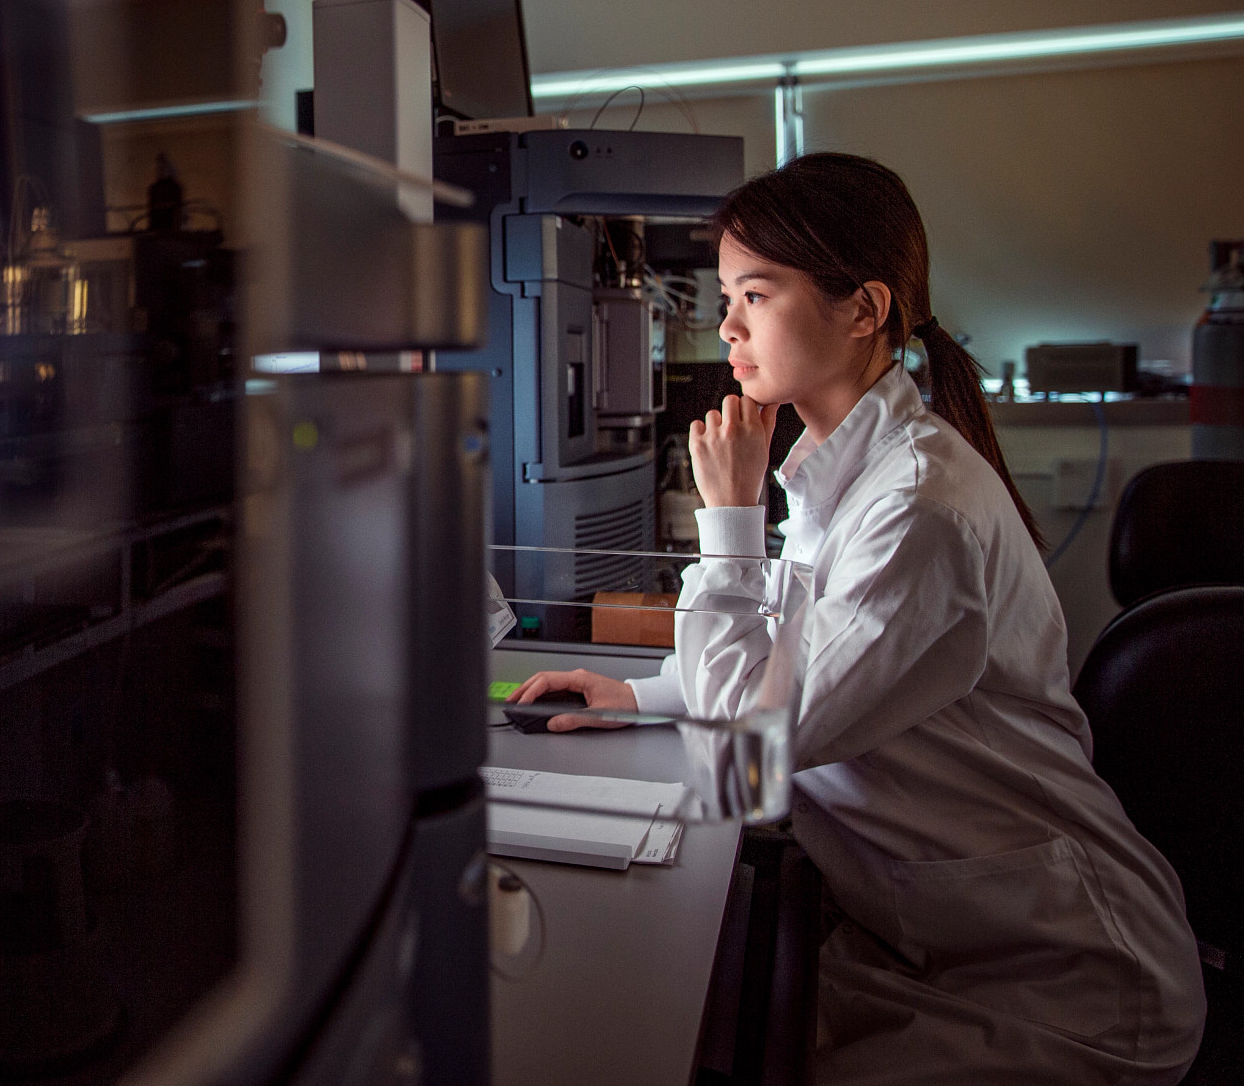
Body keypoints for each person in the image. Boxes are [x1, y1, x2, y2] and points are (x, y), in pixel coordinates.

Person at [509, 154, 1205, 1083]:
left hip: (1062, 980)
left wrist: (728, 522)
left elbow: (751, 749)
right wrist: (645, 692)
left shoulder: (919, 509)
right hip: (934, 937)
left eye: (755, 295)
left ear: (864, 308)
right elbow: (795, 663)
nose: (726, 328)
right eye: (726, 297)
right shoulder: (845, 471)